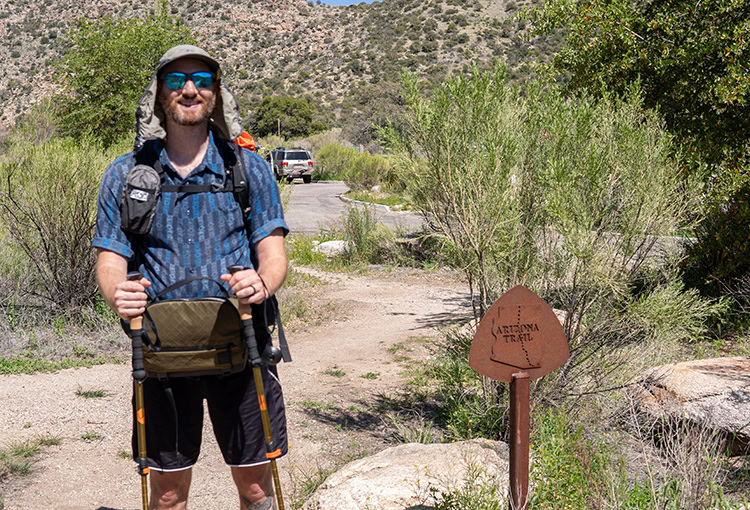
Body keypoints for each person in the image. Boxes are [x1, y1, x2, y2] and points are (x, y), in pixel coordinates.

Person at [93, 45, 288, 510]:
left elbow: (273, 253)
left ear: (215, 93)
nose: (189, 88)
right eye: (176, 80)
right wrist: (117, 293)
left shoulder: (247, 168)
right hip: (161, 353)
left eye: (201, 78)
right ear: (159, 95)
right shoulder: (125, 174)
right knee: (167, 494)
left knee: (257, 488)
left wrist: (262, 284)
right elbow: (110, 257)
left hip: (241, 345)